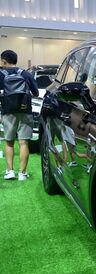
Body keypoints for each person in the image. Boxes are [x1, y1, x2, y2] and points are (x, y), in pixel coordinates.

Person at [0, 50, 39, 181]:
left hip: (8, 111)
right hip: (25, 111)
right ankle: (22, 174)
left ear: (4, 61)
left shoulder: (0, 74)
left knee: (9, 142)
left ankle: (10, 171)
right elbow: (36, 93)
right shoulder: (25, 74)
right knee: (23, 143)